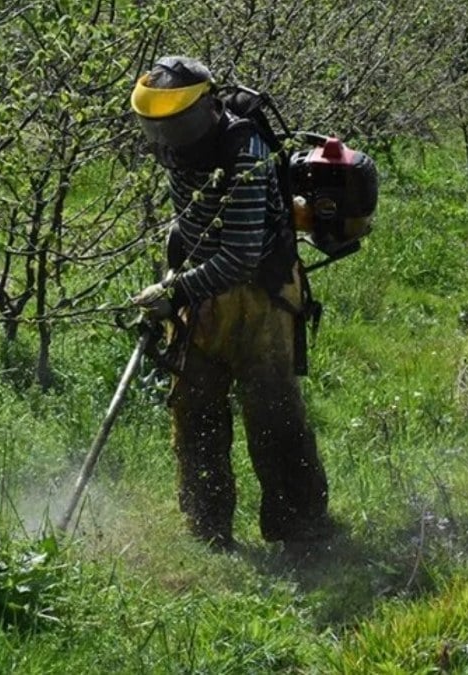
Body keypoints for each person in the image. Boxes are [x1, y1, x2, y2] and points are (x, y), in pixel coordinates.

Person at [129, 56, 333, 553]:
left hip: (261, 294)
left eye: (174, 126)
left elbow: (240, 255)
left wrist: (175, 292)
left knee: (272, 413)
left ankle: (300, 527)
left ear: (199, 112)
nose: (166, 139)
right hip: (203, 291)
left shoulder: (246, 152)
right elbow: (194, 220)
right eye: (159, 129)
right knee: (194, 406)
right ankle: (208, 528)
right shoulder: (177, 154)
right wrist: (176, 271)